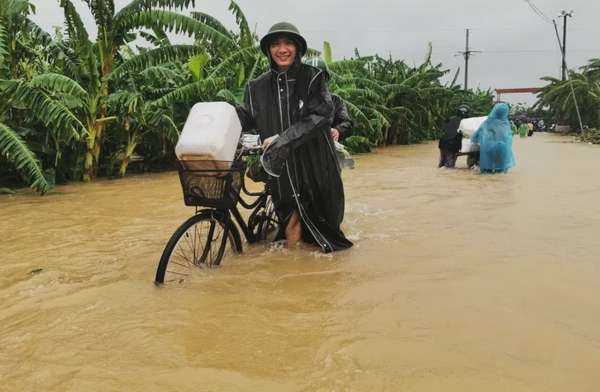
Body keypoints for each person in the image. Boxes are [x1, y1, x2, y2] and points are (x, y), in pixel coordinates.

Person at [236, 22, 352, 252]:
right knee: (290, 220)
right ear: (268, 50)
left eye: (288, 43)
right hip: (281, 168)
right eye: (276, 44)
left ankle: (304, 276)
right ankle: (293, 267)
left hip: (314, 165)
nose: (282, 49)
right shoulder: (256, 87)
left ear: (297, 48)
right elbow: (246, 118)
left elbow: (320, 115)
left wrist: (283, 138)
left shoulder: (312, 78)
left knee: (322, 227)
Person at [303, 56, 355, 169]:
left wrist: (337, 131)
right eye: (310, 77)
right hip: (300, 159)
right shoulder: (293, 100)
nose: (314, 81)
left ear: (325, 80)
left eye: (319, 77)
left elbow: (347, 122)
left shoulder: (335, 101)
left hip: (327, 159)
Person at [471, 103, 515, 173]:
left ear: (494, 110)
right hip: (503, 149)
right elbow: (509, 137)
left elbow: (477, 134)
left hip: (488, 149)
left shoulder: (488, 122)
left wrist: (473, 140)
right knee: (501, 172)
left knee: (487, 171)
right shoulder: (506, 123)